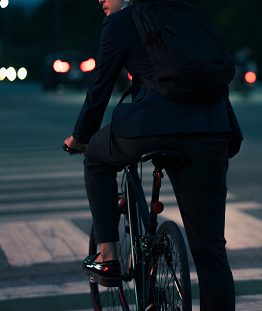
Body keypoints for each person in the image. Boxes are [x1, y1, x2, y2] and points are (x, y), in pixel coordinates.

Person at [63, 0, 242, 310]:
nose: (101, 1)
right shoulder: (189, 12)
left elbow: (99, 89)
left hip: (154, 128)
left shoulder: (120, 22)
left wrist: (80, 137)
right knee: (211, 253)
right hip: (213, 128)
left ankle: (107, 255)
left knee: (95, 156)